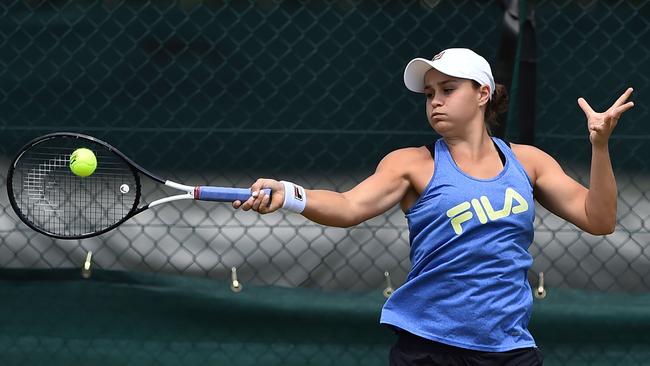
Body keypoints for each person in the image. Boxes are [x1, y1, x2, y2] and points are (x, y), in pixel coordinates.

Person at [232, 48, 634, 365]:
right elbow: (348, 206)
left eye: (447, 90)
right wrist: (290, 195)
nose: (435, 102)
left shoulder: (529, 162)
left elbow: (599, 220)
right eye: (429, 94)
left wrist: (599, 147)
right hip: (429, 347)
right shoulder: (411, 164)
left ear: (482, 93)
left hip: (510, 347)